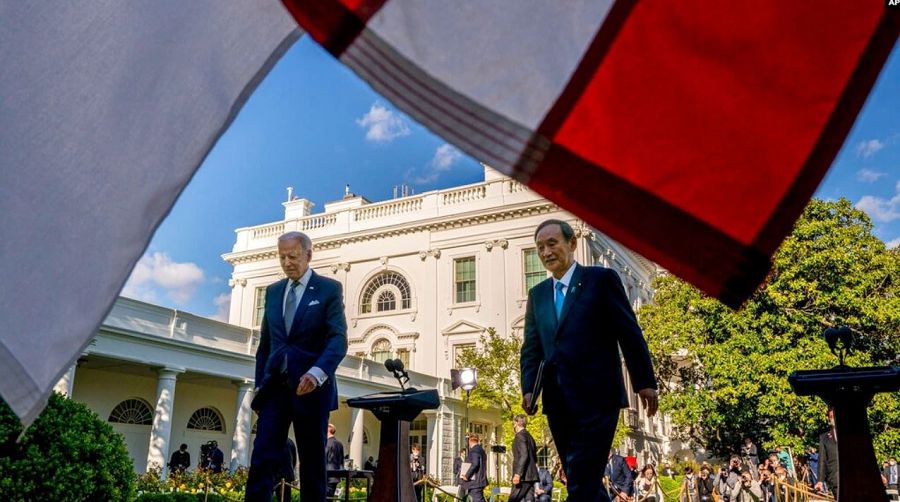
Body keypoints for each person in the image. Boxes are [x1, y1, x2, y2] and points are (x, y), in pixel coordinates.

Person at [520, 219, 658, 501]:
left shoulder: (601, 280)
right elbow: (532, 348)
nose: (546, 252)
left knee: (582, 478)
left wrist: (644, 381)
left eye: (552, 243)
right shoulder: (538, 295)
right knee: (582, 479)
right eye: (540, 247)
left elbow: (629, 332)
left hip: (598, 397)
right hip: (558, 402)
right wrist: (529, 388)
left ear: (572, 243)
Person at [245, 231, 348, 502]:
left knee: (312, 465)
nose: (287, 262)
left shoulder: (328, 289)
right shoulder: (273, 292)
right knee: (261, 459)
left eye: (293, 256)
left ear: (309, 255)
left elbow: (338, 340)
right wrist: (260, 386)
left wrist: (317, 373)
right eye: (282, 257)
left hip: (311, 389)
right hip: (275, 389)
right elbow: (266, 345)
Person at [509, 414, 539, 502]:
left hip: (523, 477)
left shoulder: (520, 436)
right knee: (529, 500)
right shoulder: (530, 437)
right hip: (531, 476)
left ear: (516, 423)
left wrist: (518, 474)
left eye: (514, 422)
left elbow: (524, 455)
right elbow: (534, 457)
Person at [815, 408, 838, 497]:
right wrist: (820, 481)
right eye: (831, 417)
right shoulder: (824, 438)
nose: (833, 419)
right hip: (836, 479)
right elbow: (822, 460)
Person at [460, 434, 488, 502]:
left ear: (469, 441)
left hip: (475, 482)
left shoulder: (474, 450)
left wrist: (467, 476)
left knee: (477, 499)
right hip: (479, 481)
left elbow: (475, 464)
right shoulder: (481, 450)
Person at [326, 423, 345, 498]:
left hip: (327, 476)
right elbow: (341, 461)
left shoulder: (327, 443)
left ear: (328, 430)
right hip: (336, 476)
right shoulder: (340, 444)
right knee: (330, 498)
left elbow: (323, 459)